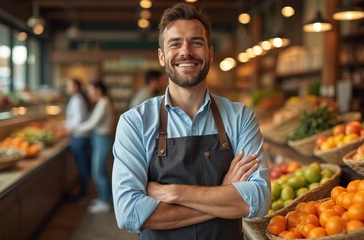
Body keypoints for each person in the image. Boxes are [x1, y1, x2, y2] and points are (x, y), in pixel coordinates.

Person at [112, 3, 270, 240]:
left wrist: (174, 193)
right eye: (175, 43)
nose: (186, 51)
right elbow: (130, 213)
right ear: (162, 57)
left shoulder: (240, 117)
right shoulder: (134, 123)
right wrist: (224, 195)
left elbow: (258, 199)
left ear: (210, 53)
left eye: (196, 42)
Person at [72, 80, 114, 213]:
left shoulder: (103, 102)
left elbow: (92, 123)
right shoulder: (102, 102)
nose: (89, 93)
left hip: (102, 140)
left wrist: (74, 128)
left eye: (90, 90)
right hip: (99, 139)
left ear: (98, 90)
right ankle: (107, 197)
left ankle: (104, 202)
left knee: (97, 172)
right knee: (102, 171)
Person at [64, 78, 92, 201]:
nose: (67, 87)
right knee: (83, 166)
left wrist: (68, 127)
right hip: (80, 136)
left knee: (82, 167)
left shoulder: (77, 100)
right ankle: (83, 193)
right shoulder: (77, 99)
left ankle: (83, 195)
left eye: (69, 85)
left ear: (76, 87)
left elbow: (78, 119)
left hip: (79, 137)